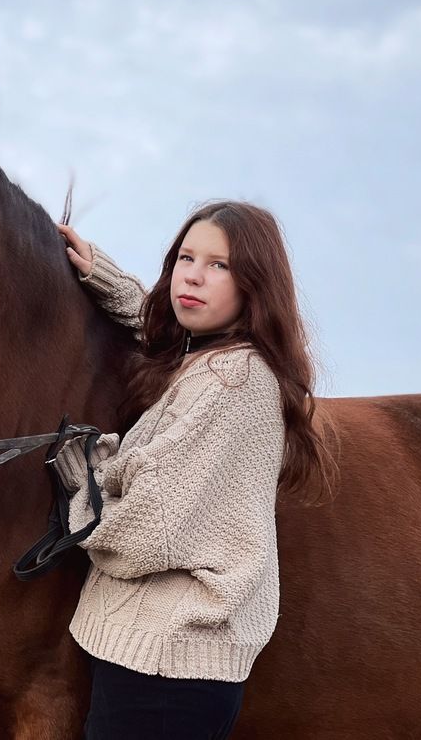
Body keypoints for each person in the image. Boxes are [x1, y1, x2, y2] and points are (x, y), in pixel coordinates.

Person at [54, 201, 326, 739]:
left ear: (254, 285)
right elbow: (160, 330)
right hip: (153, 660)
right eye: (186, 257)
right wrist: (102, 277)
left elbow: (144, 531)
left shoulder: (233, 383)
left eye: (219, 265)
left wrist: (85, 482)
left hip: (166, 676)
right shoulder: (209, 361)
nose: (194, 276)